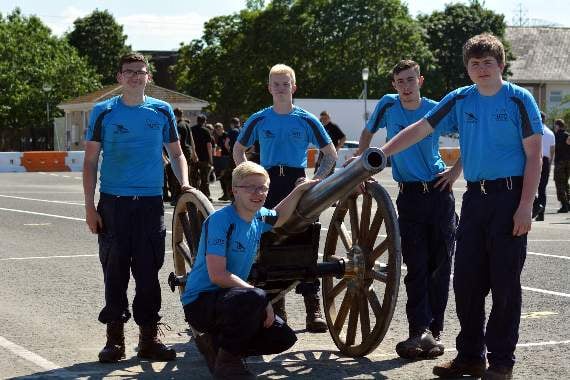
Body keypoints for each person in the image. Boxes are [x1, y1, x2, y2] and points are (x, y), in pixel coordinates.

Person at [372, 34, 542, 379]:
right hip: (474, 198)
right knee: (466, 282)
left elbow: (535, 154)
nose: (481, 69)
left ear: (501, 65)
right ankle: (470, 357)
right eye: (474, 64)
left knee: (504, 283)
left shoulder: (519, 99)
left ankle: (502, 362)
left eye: (487, 63)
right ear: (467, 68)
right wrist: (380, 154)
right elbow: (421, 128)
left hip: (509, 197)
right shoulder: (461, 98)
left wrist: (526, 205)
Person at [83, 52, 192, 363]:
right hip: (113, 203)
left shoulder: (162, 111)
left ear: (149, 77)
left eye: (140, 72)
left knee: (148, 271)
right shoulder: (103, 112)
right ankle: (114, 338)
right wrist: (90, 207)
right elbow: (90, 162)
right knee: (114, 270)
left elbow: (177, 154)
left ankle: (148, 338)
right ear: (119, 77)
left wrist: (183, 184)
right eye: (129, 72)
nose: (135, 76)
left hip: (149, 203)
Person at [349, 59, 461, 360]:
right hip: (409, 195)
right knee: (416, 266)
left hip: (439, 192)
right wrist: (360, 165)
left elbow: (469, 135)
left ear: (420, 81)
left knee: (441, 266)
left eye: (411, 80)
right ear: (393, 84)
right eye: (400, 81)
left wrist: (454, 173)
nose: (406, 86)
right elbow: (368, 133)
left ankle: (434, 333)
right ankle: (418, 330)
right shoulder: (387, 106)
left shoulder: (435, 108)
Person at [182, 161, 317, 379]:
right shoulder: (220, 221)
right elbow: (218, 275)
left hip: (231, 300)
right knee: (254, 298)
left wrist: (299, 190)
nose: (258, 193)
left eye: (263, 187)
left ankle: (215, 343)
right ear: (235, 190)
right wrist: (262, 300)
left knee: (283, 337)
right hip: (201, 302)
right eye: (251, 187)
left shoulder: (258, 217)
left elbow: (280, 215)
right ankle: (227, 365)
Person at [233, 64, 338, 333]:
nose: (280, 88)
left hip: (296, 181)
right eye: (275, 84)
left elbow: (330, 152)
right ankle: (275, 305)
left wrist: (317, 180)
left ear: (294, 87)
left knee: (305, 240)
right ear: (269, 88)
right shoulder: (259, 118)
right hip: (266, 182)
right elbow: (238, 150)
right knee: (267, 241)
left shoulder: (306, 119)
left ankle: (312, 306)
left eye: (285, 83)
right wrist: (248, 178)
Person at [532, 112, 555, 221]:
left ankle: (535, 207)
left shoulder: (532, 129)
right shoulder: (550, 133)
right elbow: (552, 151)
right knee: (542, 188)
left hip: (533, 159)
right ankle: (541, 213)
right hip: (545, 160)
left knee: (529, 186)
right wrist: (549, 164)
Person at [172, 108, 198, 204]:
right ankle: (188, 197)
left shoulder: (178, 126)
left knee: (178, 175)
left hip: (182, 152)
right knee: (187, 174)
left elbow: (177, 140)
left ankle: (177, 198)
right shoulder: (187, 124)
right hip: (189, 151)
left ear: (174, 115)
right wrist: (194, 153)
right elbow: (191, 140)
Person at [315, 111, 346, 176]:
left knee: (329, 172)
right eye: (322, 119)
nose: (324, 120)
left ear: (329, 118)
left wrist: (337, 148)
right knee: (319, 172)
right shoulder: (321, 127)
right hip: (322, 152)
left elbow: (343, 137)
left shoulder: (333, 127)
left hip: (331, 153)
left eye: (325, 118)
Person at [191, 115, 214, 201]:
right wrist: (211, 158)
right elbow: (209, 145)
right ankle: (205, 196)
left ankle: (194, 194)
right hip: (204, 158)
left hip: (194, 157)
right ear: (205, 121)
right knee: (205, 178)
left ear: (197, 121)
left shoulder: (191, 130)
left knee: (193, 177)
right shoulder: (206, 131)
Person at [553, 119, 570, 213]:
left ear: (557, 126)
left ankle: (564, 205)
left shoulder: (556, 136)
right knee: (566, 183)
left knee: (559, 183)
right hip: (568, 162)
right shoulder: (567, 135)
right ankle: (568, 203)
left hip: (560, 163)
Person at [213, 122, 232, 201]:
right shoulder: (219, 137)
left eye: (219, 129)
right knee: (222, 177)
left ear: (222, 128)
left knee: (226, 177)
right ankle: (225, 194)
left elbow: (228, 146)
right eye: (216, 130)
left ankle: (228, 194)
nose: (218, 131)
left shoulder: (226, 135)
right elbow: (219, 148)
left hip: (227, 158)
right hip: (222, 158)